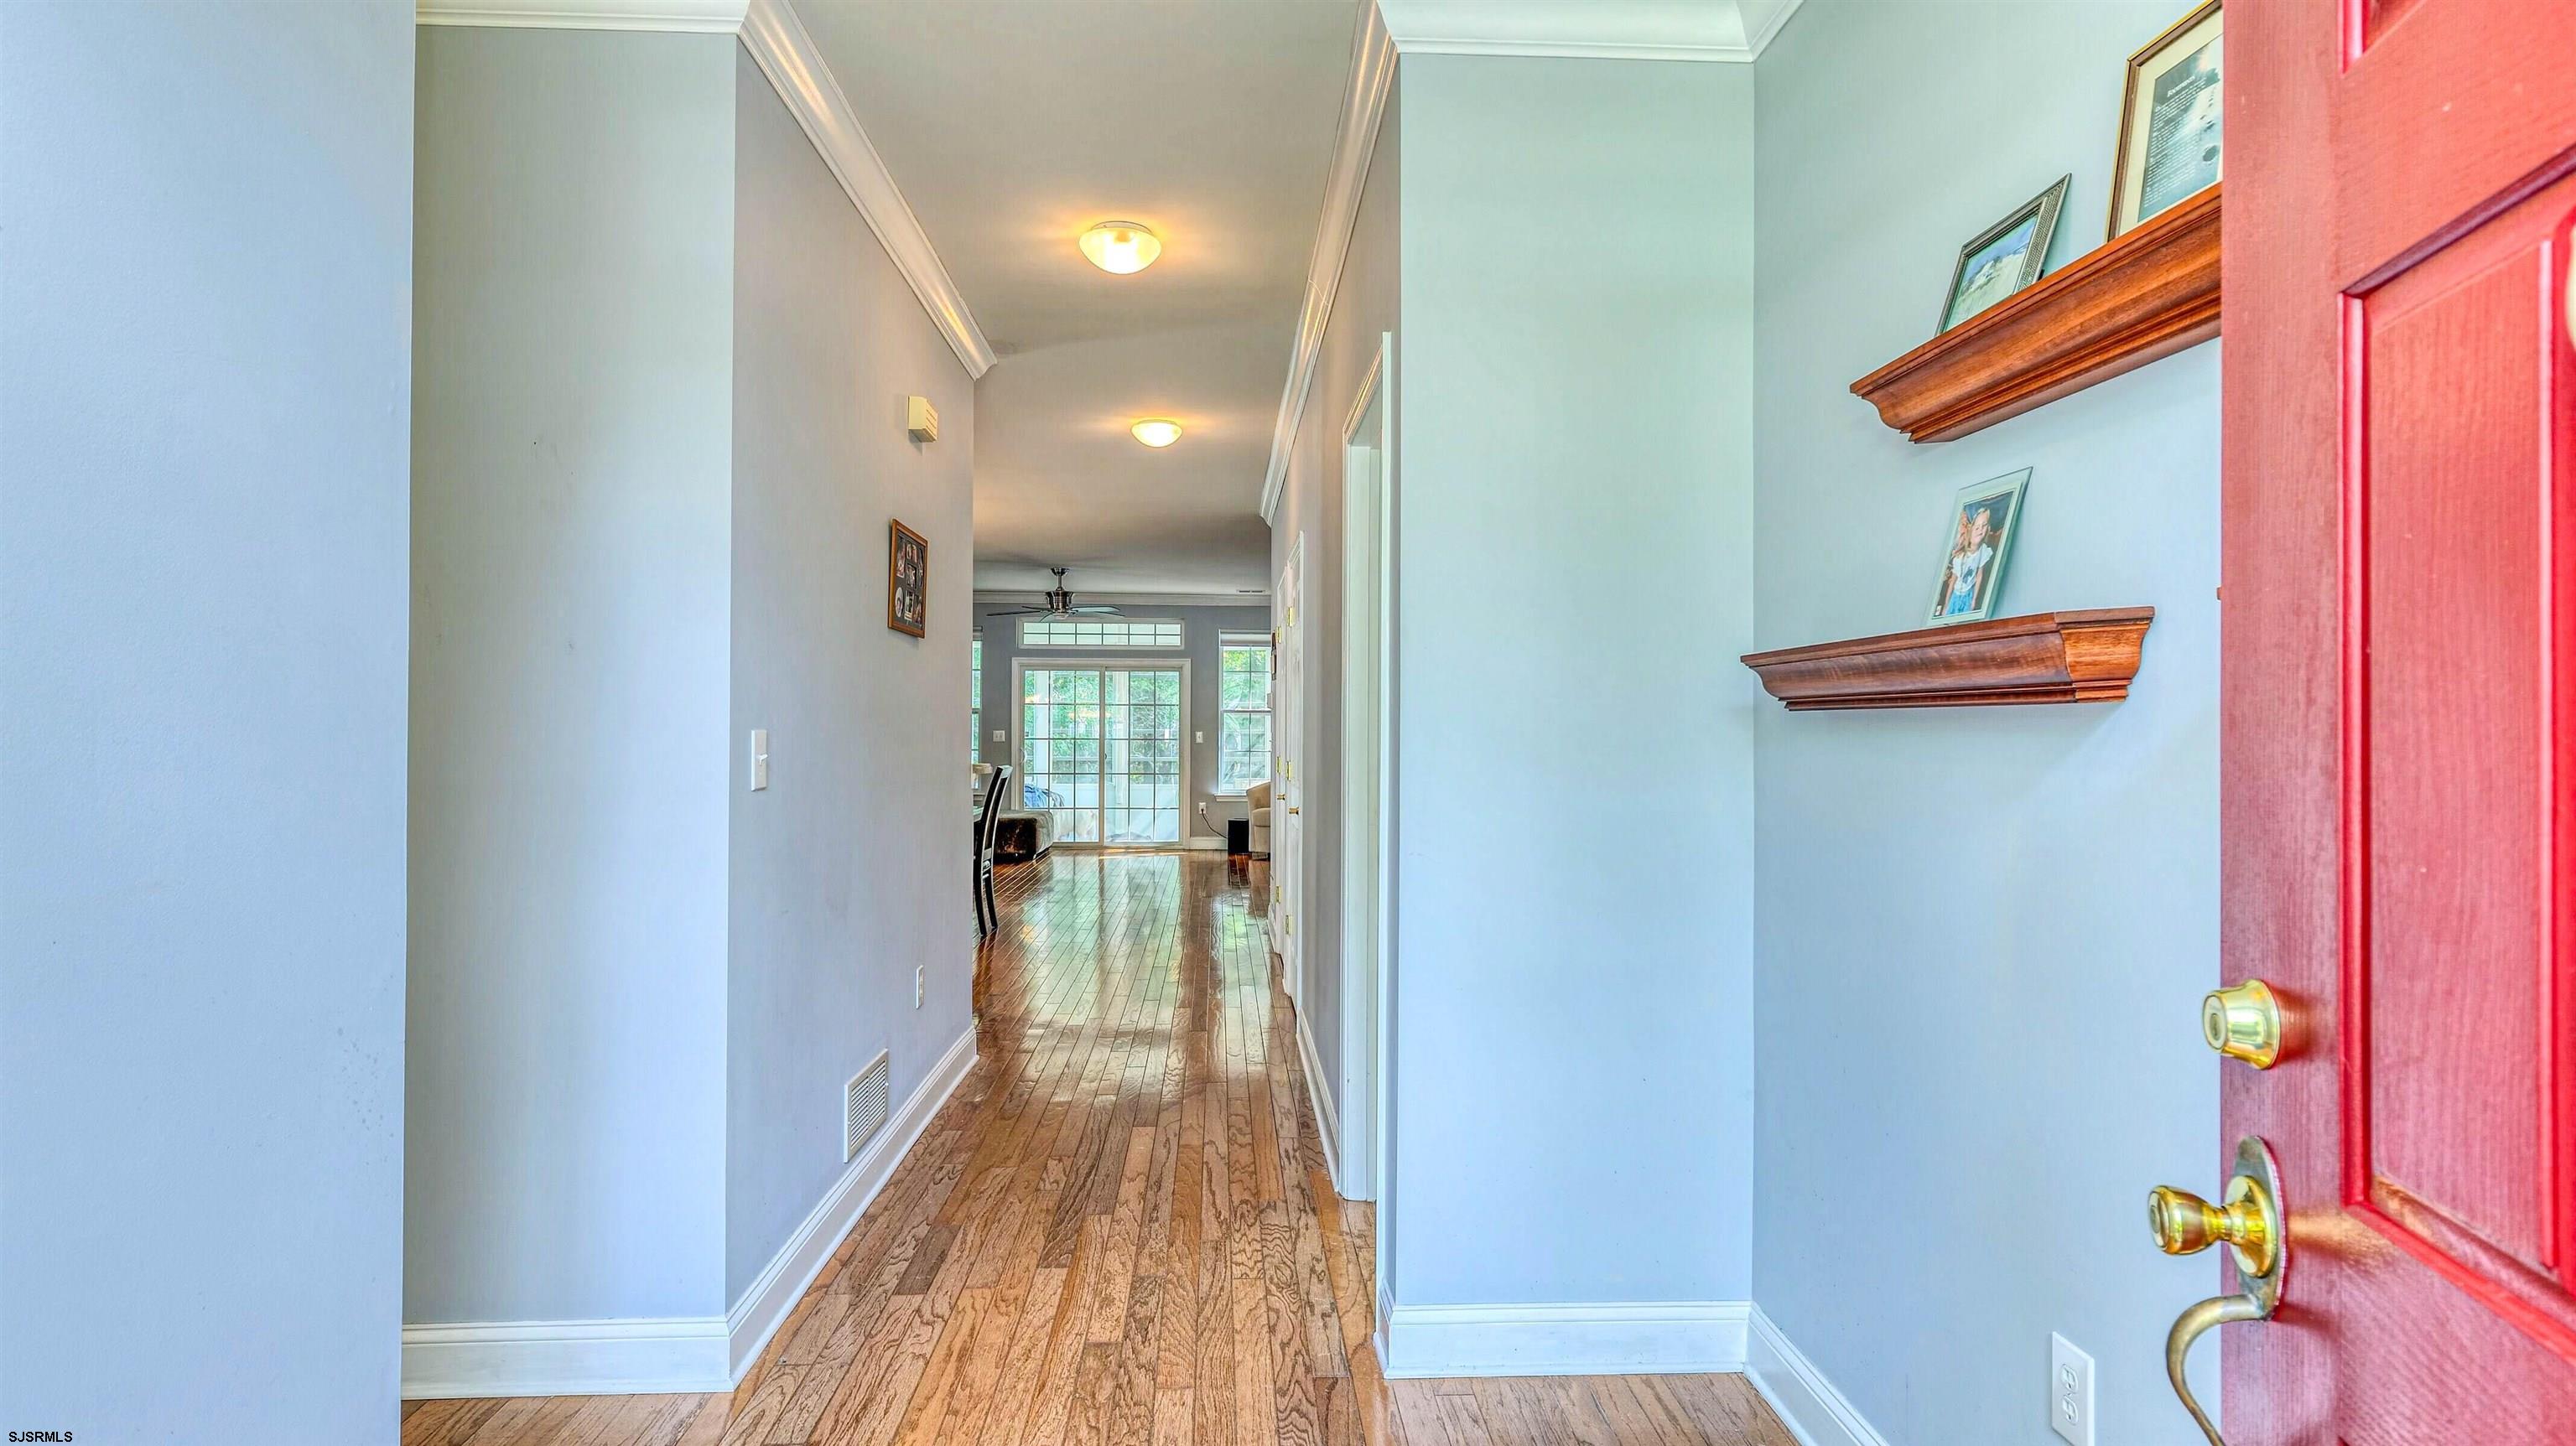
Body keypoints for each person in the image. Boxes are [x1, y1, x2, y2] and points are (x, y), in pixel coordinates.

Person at [1938, 504, 1997, 617]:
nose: (1980, 530)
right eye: (1977, 527)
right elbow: (1953, 580)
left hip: (1968, 594)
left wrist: (1974, 599)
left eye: (1984, 526)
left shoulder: (1984, 551)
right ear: (1971, 529)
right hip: (1956, 594)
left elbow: (1979, 575)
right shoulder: (1960, 556)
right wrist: (1946, 604)